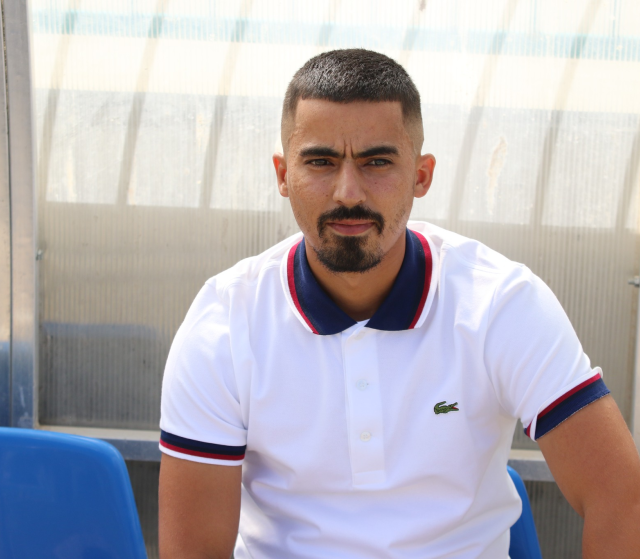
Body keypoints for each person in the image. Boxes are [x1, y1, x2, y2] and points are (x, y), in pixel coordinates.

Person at [158, 49, 640, 558]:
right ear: (282, 174)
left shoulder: (500, 305)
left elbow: (621, 498)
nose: (348, 193)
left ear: (421, 175)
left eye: (377, 162)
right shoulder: (224, 323)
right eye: (321, 162)